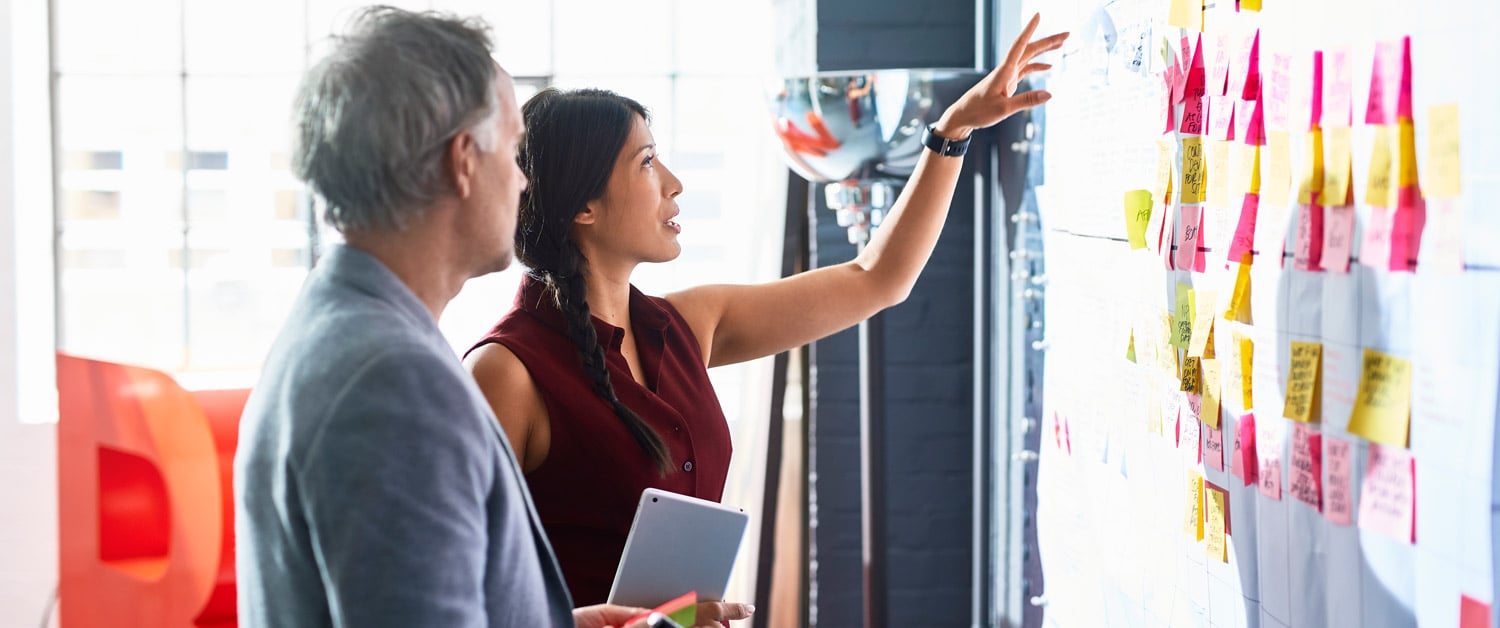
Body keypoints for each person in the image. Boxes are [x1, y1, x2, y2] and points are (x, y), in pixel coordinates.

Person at [464, 12, 1069, 608]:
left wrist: (951, 132)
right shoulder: (506, 373)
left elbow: (877, 278)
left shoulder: (687, 326)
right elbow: (458, 594)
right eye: (647, 163)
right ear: (583, 207)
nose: (674, 183)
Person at [234, 7, 715, 627]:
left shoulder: (344, 329)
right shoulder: (392, 384)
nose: (523, 182)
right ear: (463, 160)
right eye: (515, 151)